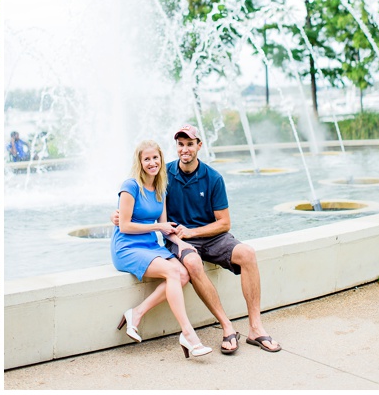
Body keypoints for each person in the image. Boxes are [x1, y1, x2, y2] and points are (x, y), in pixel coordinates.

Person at [113, 124, 282, 354]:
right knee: (191, 263)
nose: (185, 149)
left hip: (210, 237)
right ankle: (227, 327)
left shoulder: (213, 178)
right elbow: (138, 198)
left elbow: (224, 223)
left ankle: (255, 328)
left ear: (199, 146)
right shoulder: (164, 174)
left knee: (248, 253)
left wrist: (193, 232)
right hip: (179, 239)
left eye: (190, 144)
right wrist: (116, 215)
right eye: (180, 145)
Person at [112, 139, 212, 358]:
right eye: (146, 159)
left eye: (155, 158)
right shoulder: (130, 186)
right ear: (139, 162)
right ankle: (188, 333)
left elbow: (166, 228)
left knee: (184, 274)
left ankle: (136, 313)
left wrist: (181, 243)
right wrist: (157, 226)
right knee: (172, 271)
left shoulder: (160, 188)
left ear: (161, 160)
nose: (152, 163)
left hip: (149, 245)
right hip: (127, 247)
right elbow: (125, 225)